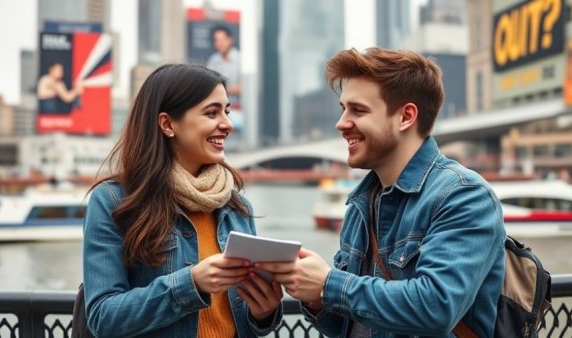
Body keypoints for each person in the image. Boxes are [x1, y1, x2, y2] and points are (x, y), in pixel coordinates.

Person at [258, 47, 506, 337]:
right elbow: (347, 326)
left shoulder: (463, 195)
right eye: (343, 109)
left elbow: (437, 307)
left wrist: (328, 283)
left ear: (406, 116)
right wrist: (314, 297)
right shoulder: (360, 204)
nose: (341, 123)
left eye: (358, 110)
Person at [82, 64, 283, 337]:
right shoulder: (113, 201)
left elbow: (242, 323)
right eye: (212, 113)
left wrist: (263, 312)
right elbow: (103, 317)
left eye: (227, 111)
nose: (227, 124)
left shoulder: (236, 206)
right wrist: (191, 284)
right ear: (167, 124)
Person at [207, 25, 241, 105]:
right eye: (217, 40)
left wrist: (219, 90)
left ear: (230, 40)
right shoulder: (213, 60)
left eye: (223, 39)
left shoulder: (240, 60)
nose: (220, 43)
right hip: (217, 106)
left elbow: (243, 88)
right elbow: (207, 84)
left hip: (237, 108)